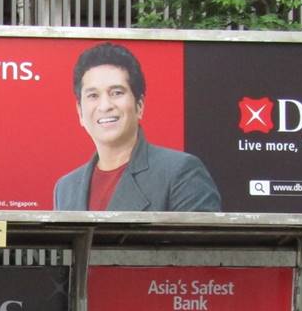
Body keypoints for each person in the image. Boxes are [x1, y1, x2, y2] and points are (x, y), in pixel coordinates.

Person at [52, 42, 221, 212]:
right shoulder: (65, 189)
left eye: (116, 93)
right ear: (80, 112)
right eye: (93, 95)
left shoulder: (180, 173)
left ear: (139, 105)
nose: (104, 106)